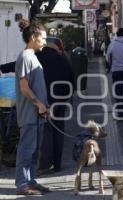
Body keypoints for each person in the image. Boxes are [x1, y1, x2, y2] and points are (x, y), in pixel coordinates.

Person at [14, 20, 50, 195]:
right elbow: (24, 88)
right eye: (43, 38)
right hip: (29, 114)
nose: (45, 41)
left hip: (38, 114)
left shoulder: (32, 56)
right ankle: (22, 185)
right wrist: (39, 104)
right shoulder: (25, 57)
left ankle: (31, 181)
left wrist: (44, 106)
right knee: (26, 149)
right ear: (33, 37)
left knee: (34, 151)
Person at [36, 37, 75, 174]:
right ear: (56, 47)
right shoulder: (63, 59)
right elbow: (72, 81)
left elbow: (19, 64)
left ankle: (46, 164)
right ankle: (57, 164)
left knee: (47, 131)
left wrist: (2, 68)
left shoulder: (37, 56)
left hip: (45, 99)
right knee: (58, 131)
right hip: (60, 100)